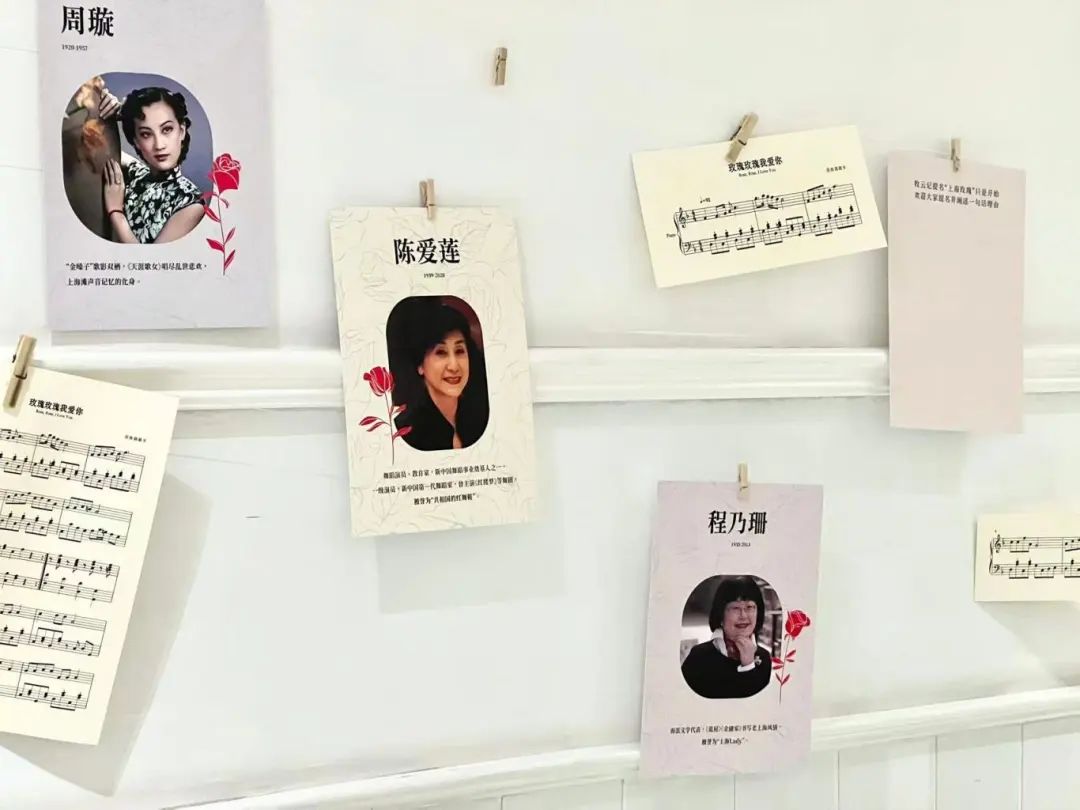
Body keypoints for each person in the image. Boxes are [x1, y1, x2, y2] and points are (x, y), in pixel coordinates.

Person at [97, 86, 205, 244]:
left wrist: (116, 211)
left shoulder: (191, 204)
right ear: (136, 141)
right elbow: (102, 149)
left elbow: (150, 259)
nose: (159, 145)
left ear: (181, 131)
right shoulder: (137, 173)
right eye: (146, 134)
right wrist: (109, 113)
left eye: (167, 129)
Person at [391, 302, 489, 451]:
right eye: (441, 352)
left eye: (459, 351)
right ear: (420, 365)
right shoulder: (406, 432)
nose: (454, 366)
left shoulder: (482, 416)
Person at [681, 576, 772, 699]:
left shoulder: (764, 659)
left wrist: (749, 665)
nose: (743, 615)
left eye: (749, 607)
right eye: (735, 608)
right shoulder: (699, 657)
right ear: (721, 615)